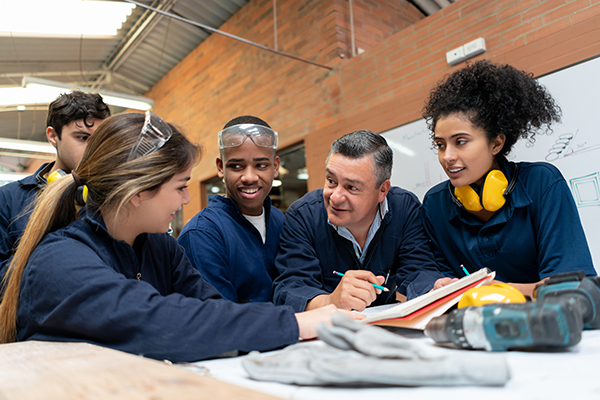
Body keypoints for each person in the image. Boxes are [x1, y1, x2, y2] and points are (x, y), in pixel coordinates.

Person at [0, 112, 351, 362]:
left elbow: (212, 310)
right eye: (181, 187)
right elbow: (159, 321)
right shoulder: (59, 262)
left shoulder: (159, 247)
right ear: (138, 191)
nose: (186, 200)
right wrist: (292, 323)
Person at [421, 60, 596, 298]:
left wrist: (495, 290)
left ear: (496, 143)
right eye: (440, 145)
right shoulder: (434, 204)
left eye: (460, 141)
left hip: (546, 324)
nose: (447, 156)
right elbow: (440, 282)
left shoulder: (542, 183)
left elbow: (573, 287)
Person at [272, 130, 446, 312]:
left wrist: (433, 288)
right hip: (328, 329)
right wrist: (331, 301)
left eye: (352, 187)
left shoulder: (404, 207)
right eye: (331, 181)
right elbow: (289, 289)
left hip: (385, 323)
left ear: (382, 190)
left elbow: (418, 269)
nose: (335, 197)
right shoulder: (303, 216)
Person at [0, 90, 110, 278]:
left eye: (100, 140)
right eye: (82, 138)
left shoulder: (112, 199)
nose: (93, 150)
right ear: (53, 136)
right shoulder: (8, 199)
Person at [178, 116, 283, 303]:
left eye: (261, 165)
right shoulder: (202, 235)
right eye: (236, 166)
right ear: (220, 168)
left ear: (275, 167)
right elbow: (221, 319)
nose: (249, 177)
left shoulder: (282, 222)